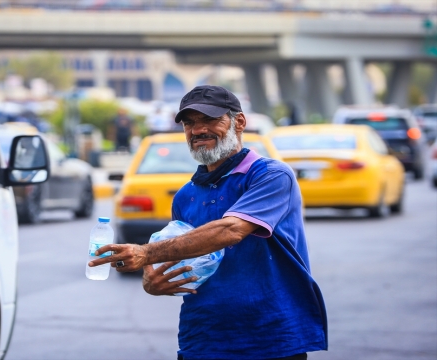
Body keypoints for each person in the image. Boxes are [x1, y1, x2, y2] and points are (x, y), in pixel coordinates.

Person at [89, 85, 327, 360]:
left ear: (239, 122)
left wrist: (145, 253)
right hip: (203, 338)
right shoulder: (186, 196)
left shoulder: (271, 176)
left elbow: (232, 229)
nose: (198, 130)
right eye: (190, 124)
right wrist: (152, 280)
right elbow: (185, 259)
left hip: (272, 338)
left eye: (210, 120)